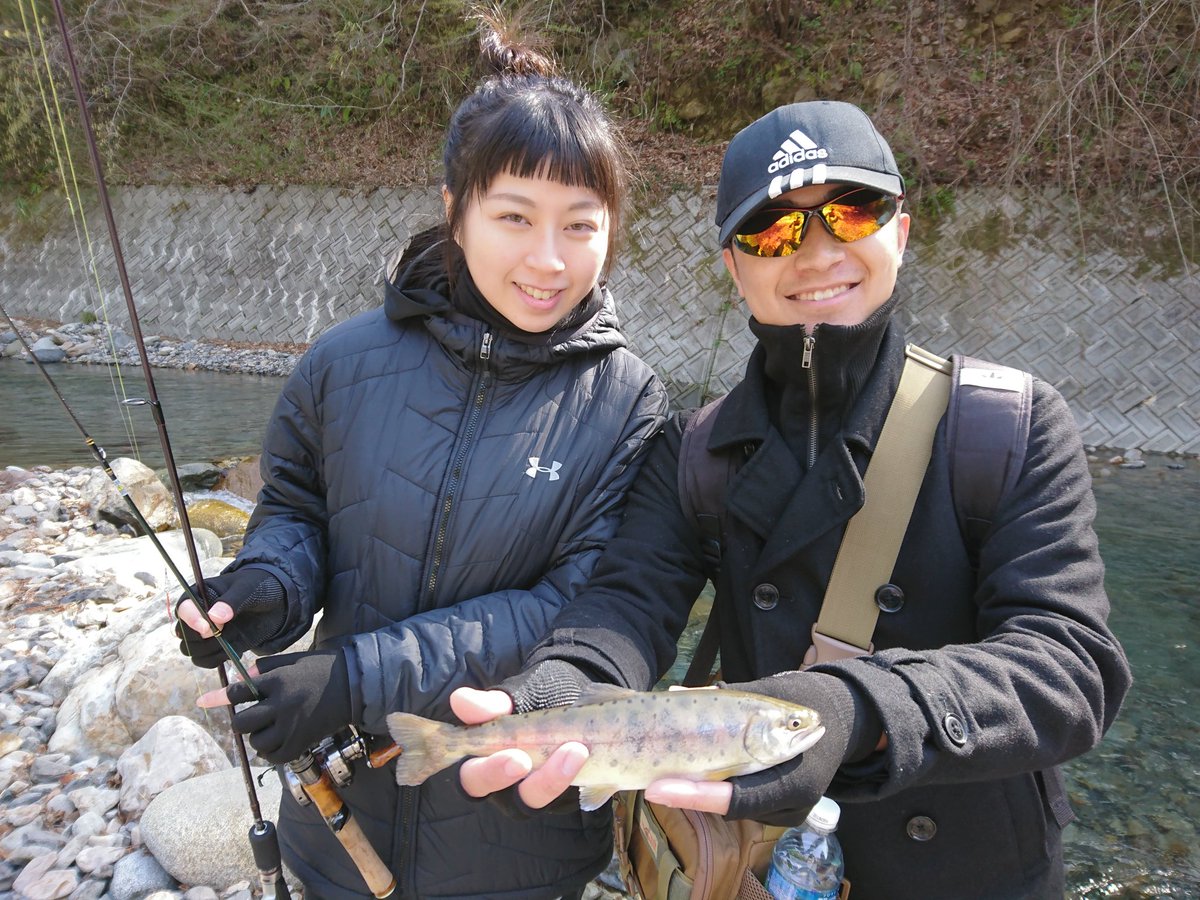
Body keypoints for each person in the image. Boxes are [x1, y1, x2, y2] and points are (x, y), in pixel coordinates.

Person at [453, 100, 1132, 899]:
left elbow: (1071, 668)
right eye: (771, 230)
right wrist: (563, 681)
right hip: (765, 866)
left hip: (977, 871)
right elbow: (628, 603)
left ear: (900, 235)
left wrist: (859, 708)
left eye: (849, 214)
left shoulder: (1006, 425)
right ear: (735, 269)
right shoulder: (693, 450)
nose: (813, 254)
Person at [174, 17, 668, 900]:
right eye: (514, 216)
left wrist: (353, 678)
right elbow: (298, 511)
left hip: (518, 837)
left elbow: (578, 607)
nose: (549, 260)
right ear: (455, 209)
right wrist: (260, 592)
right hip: (340, 821)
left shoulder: (628, 401)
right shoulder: (342, 361)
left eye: (580, 226)